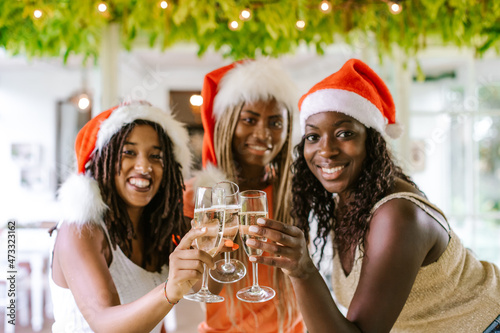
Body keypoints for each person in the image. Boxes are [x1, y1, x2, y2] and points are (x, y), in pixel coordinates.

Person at [244, 58, 500, 332]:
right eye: (313, 136)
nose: (326, 150)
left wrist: (302, 270)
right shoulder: (346, 201)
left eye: (344, 133)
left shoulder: (397, 215)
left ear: (373, 141)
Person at [50, 101, 215, 332]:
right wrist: (169, 290)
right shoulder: (81, 229)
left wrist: (214, 257)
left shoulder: (160, 227)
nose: (144, 166)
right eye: (129, 152)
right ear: (103, 160)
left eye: (156, 156)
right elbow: (104, 323)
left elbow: (205, 290)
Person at [183, 58, 305, 332]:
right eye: (249, 120)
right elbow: (197, 291)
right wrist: (214, 245)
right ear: (226, 124)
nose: (263, 134)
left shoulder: (296, 192)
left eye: (275, 123)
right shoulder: (195, 198)